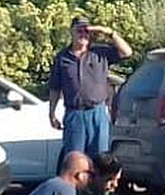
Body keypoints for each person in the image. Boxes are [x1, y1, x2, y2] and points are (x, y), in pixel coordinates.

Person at [48, 16, 133, 166]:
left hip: (98, 114)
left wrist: (109, 32)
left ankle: (98, 190)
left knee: (100, 162)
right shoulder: (62, 58)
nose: (83, 35)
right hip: (75, 115)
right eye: (79, 31)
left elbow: (127, 52)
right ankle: (76, 190)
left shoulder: (99, 53)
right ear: (71, 32)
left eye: (86, 31)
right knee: (75, 161)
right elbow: (55, 88)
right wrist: (52, 113)